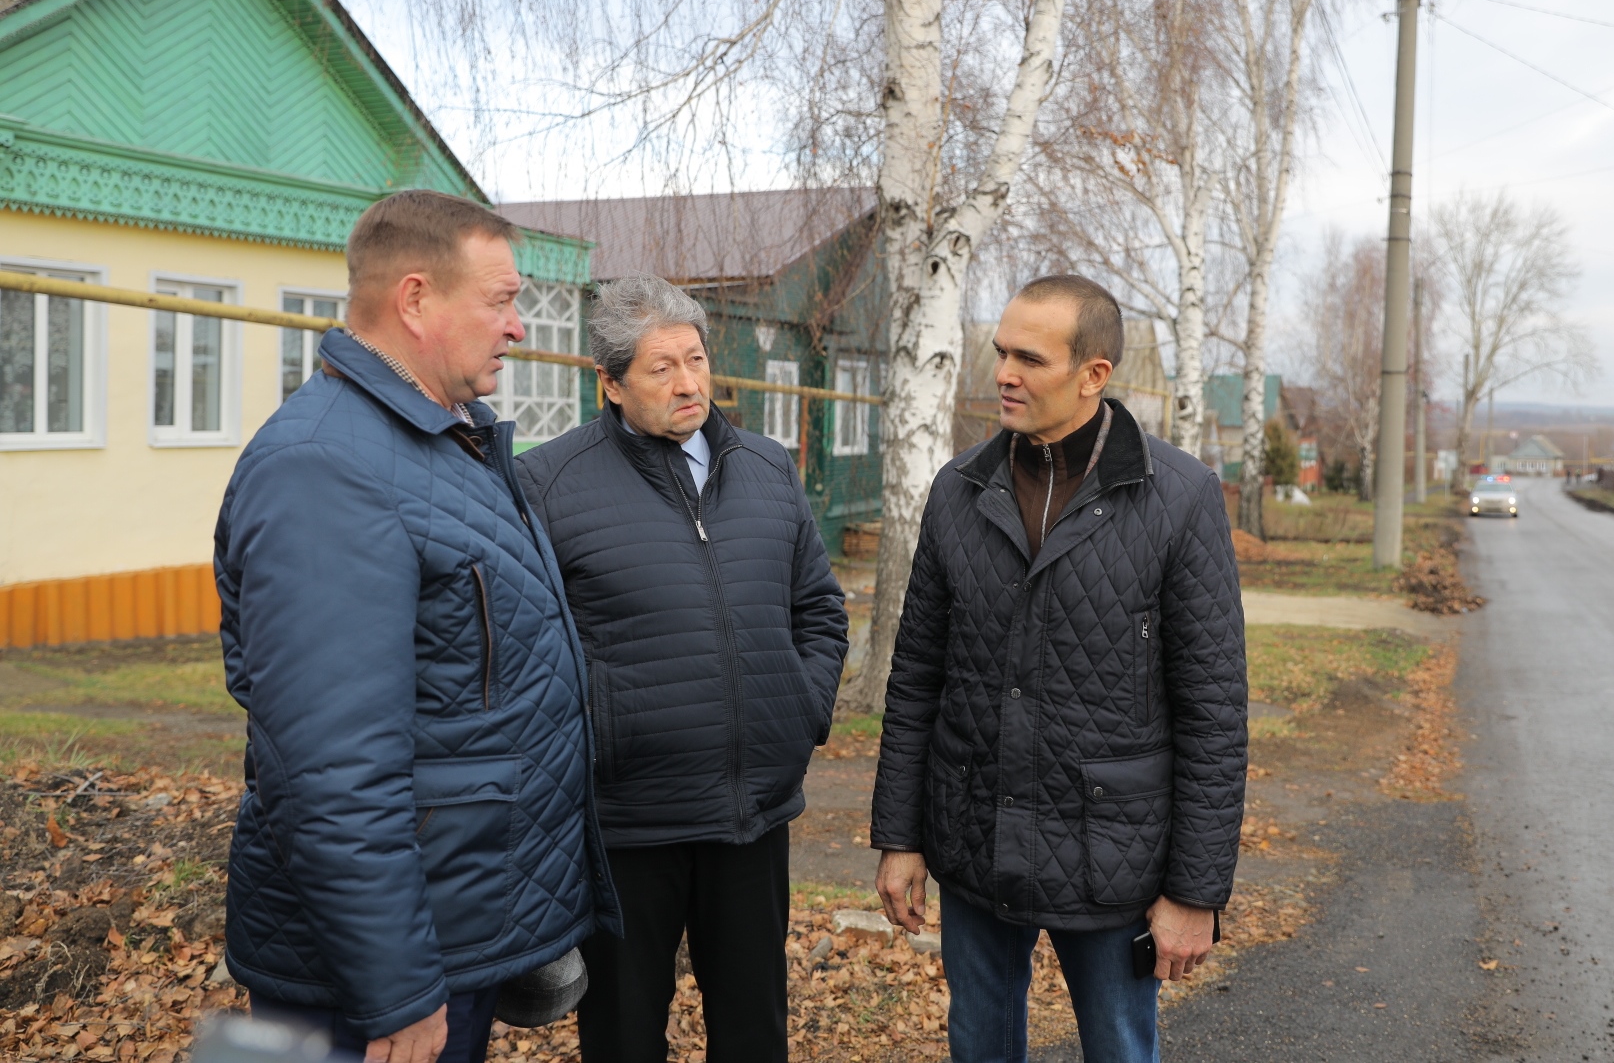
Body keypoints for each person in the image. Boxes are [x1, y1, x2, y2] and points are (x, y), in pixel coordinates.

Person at [214, 189, 618, 1063]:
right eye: (502, 299)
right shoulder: (325, 469)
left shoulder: (439, 441)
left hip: (448, 927)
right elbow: (330, 770)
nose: (519, 327)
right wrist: (393, 987)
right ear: (414, 300)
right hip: (365, 985)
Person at [870, 275, 1248, 1063]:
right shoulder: (957, 490)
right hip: (974, 837)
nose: (1003, 373)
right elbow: (915, 681)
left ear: (1093, 375)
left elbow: (1213, 710)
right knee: (980, 1046)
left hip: (1112, 856)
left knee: (1117, 1049)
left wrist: (1195, 890)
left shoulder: (1178, 498)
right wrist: (899, 837)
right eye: (1000, 351)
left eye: (1028, 358)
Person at [515, 273, 849, 1063]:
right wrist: (598, 739)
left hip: (752, 818)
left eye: (695, 359)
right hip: (627, 823)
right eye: (661, 368)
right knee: (625, 1035)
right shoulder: (547, 483)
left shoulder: (768, 468)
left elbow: (821, 611)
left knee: (755, 1033)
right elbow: (529, 649)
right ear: (611, 383)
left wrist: (801, 711)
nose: (688, 382)